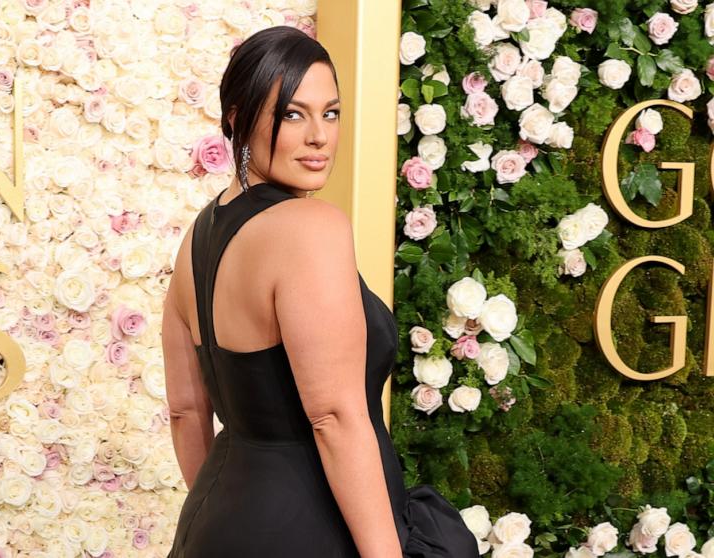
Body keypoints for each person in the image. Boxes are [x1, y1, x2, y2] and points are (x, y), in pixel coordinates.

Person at [161, 25, 479, 557]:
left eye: (329, 113)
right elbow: (334, 416)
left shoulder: (197, 236)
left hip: (216, 524)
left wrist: (228, 515)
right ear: (238, 120)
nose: (319, 137)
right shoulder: (310, 227)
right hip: (312, 529)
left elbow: (186, 411)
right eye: (292, 114)